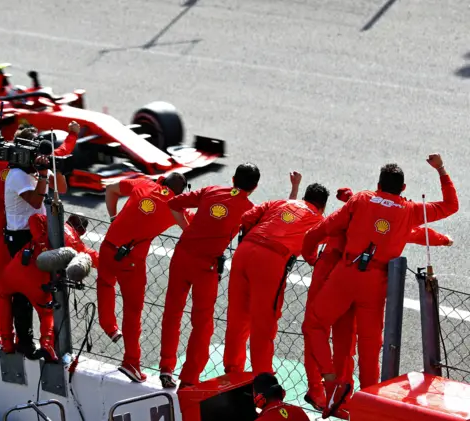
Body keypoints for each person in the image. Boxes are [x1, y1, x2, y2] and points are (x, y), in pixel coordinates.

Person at [301, 155, 458, 418]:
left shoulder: (361, 199)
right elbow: (451, 205)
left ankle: (331, 382)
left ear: (378, 184)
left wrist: (309, 255)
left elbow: (322, 229)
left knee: (315, 325)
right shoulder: (409, 210)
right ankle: (367, 410)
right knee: (370, 348)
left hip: (346, 273)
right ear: (403, 189)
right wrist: (441, 169)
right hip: (376, 285)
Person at [159, 164, 299, 389]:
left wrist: (188, 228)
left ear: (233, 179)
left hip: (182, 257)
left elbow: (173, 203)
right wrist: (294, 190)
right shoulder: (249, 208)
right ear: (254, 187)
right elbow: (282, 217)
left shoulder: (211, 190)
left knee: (172, 313)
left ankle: (166, 367)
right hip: (206, 267)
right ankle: (188, 379)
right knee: (202, 325)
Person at [223, 182, 330, 377]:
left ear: (304, 198)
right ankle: (262, 378)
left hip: (244, 252)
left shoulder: (280, 203)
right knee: (263, 323)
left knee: (237, 317)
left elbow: (247, 217)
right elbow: (318, 241)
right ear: (322, 206)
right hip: (270, 260)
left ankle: (232, 372)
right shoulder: (317, 219)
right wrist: (313, 259)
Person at [96, 173, 191, 383]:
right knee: (132, 311)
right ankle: (131, 362)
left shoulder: (142, 183)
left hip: (108, 246)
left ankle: (108, 326)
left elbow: (110, 189)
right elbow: (193, 228)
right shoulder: (175, 206)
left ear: (162, 181)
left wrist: (113, 217)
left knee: (104, 284)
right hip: (130, 260)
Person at [3, 122, 77, 358]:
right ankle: (24, 340)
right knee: (25, 293)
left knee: (47, 287)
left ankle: (49, 342)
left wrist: (56, 167)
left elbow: (62, 187)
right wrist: (44, 175)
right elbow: (35, 202)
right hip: (21, 237)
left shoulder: (38, 168)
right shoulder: (16, 175)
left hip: (40, 235)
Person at [0, 213, 98, 360]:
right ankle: (46, 344)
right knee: (47, 313)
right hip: (37, 281)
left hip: (16, 268)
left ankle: (6, 341)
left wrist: (41, 243)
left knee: (4, 296)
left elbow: (33, 218)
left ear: (67, 220)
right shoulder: (77, 243)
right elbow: (96, 259)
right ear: (82, 232)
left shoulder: (53, 224)